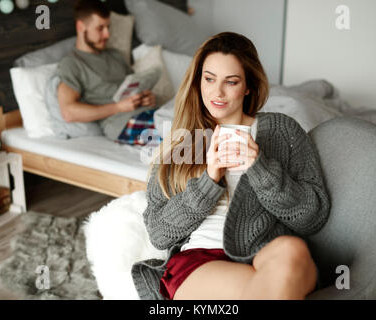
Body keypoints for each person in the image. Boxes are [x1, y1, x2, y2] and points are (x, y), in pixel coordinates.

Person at [131, 32, 331, 300]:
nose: (218, 92)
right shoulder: (183, 143)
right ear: (198, 81)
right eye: (209, 79)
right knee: (266, 289)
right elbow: (158, 233)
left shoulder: (281, 131)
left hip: (266, 252)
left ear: (248, 86)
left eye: (231, 82)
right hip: (201, 259)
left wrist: (260, 168)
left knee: (292, 251)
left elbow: (312, 216)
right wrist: (209, 179)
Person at [56, 0, 157, 144]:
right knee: (185, 137)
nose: (107, 34)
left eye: (108, 27)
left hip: (149, 113)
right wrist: (117, 107)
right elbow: (68, 113)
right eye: (100, 28)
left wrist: (146, 98)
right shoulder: (72, 64)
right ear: (81, 27)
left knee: (194, 121)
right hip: (124, 123)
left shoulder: (115, 56)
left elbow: (134, 86)